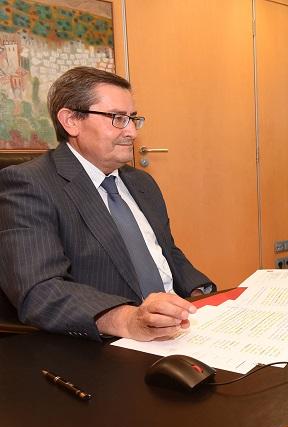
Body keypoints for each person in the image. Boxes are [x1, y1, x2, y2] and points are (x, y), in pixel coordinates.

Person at [0, 67, 213, 342]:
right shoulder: (29, 185)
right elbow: (41, 289)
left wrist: (200, 293)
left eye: (133, 118)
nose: (133, 132)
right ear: (71, 121)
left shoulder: (142, 183)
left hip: (180, 327)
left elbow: (166, 252)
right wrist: (127, 320)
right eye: (118, 118)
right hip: (108, 341)